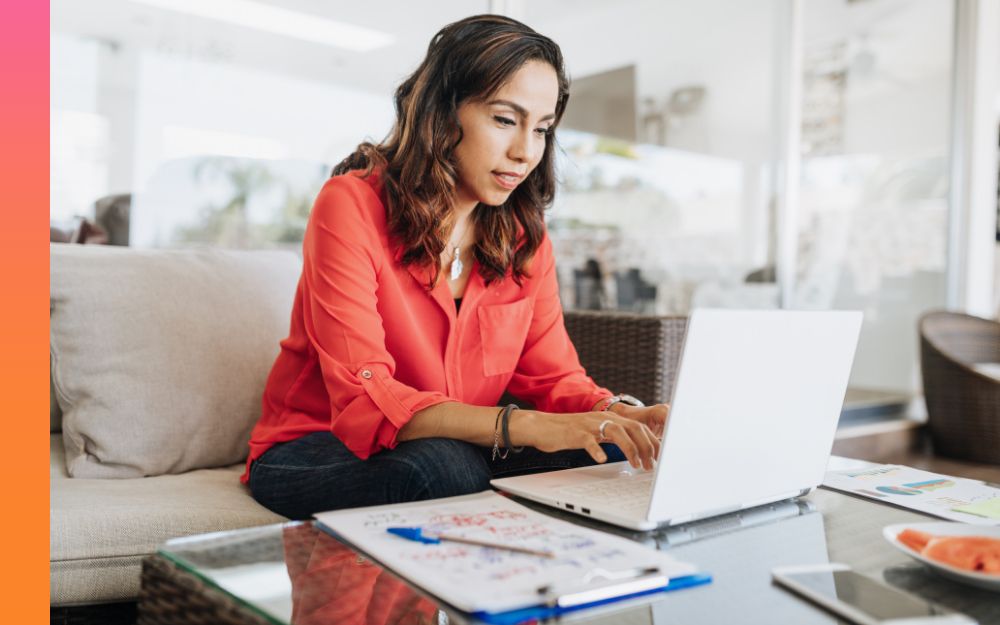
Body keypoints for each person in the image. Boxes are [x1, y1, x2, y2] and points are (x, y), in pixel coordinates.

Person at [243, 14, 669, 520]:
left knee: (617, 451)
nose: (525, 152)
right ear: (444, 113)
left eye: (542, 129)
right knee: (445, 468)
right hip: (316, 448)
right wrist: (528, 428)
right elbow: (366, 398)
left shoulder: (523, 239)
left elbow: (555, 379)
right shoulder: (350, 205)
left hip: (462, 445)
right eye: (505, 120)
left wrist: (618, 415)